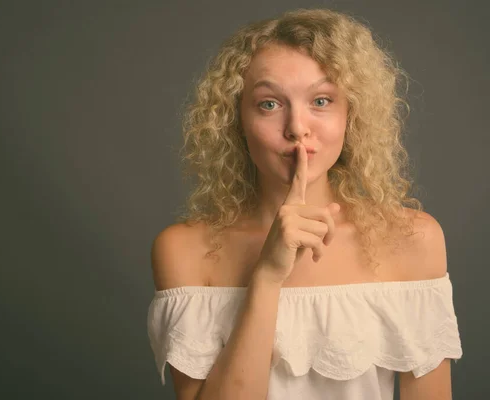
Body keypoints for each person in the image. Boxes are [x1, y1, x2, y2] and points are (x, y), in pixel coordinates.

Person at [147, 8, 462, 400]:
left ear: (352, 115)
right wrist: (267, 275)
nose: (297, 127)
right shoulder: (184, 250)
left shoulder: (413, 239)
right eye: (269, 104)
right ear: (236, 119)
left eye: (322, 100)